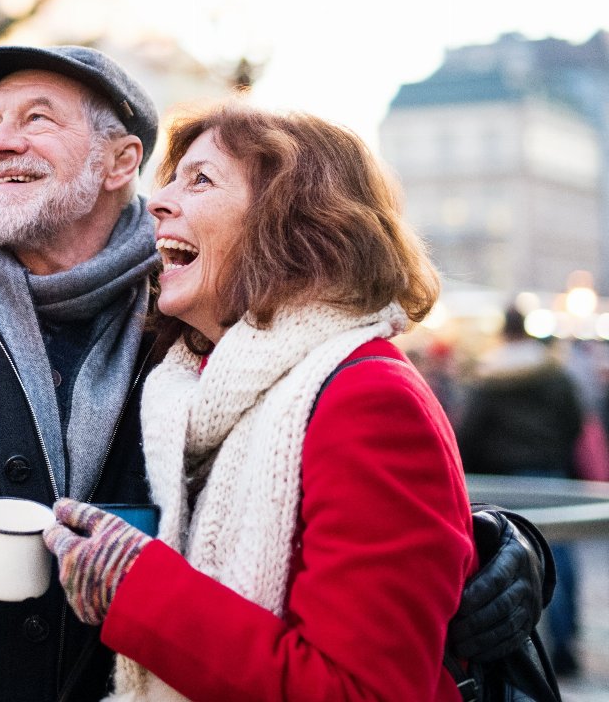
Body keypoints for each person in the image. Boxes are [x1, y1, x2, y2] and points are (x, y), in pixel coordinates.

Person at [0, 44, 540, 702]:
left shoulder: (196, 329)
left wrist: (503, 549)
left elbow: (348, 491)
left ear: (120, 163)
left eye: (35, 119)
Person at [41, 101, 485, 699]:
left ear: (295, 224)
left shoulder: (369, 400)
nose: (158, 203)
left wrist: (139, 589)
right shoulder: (188, 395)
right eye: (170, 180)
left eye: (200, 180)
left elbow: (362, 691)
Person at [458, 307, 585, 676]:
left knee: (517, 565)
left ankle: (530, 648)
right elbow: (574, 420)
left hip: (503, 481)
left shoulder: (488, 375)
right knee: (560, 561)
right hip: (549, 472)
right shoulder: (553, 372)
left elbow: (471, 431)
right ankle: (565, 645)